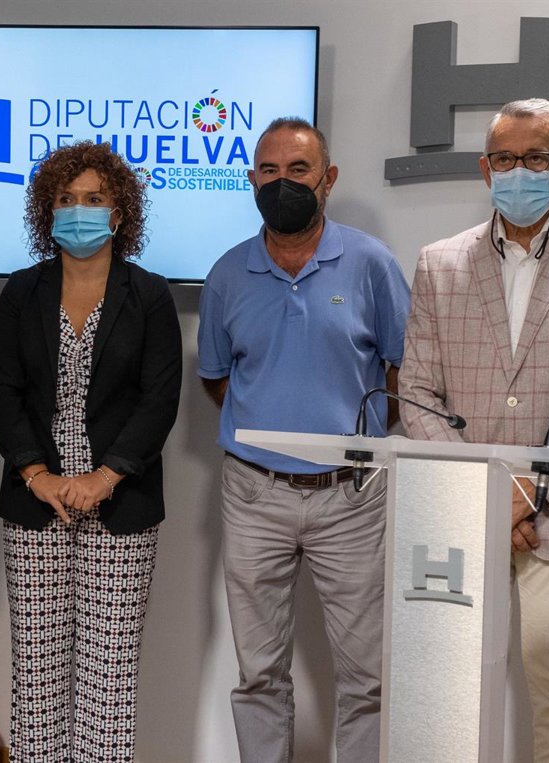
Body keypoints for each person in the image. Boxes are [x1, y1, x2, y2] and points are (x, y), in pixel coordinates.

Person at [400, 98, 549, 763]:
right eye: (505, 159)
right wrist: (485, 492)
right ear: (485, 169)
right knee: (444, 681)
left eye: (536, 158)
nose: (519, 172)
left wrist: (532, 490)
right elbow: (416, 393)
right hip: (459, 511)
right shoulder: (438, 263)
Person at [197, 117, 410, 763]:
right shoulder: (227, 273)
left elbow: (405, 369)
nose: (281, 182)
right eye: (269, 170)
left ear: (329, 178)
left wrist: (353, 434)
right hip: (253, 493)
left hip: (351, 497)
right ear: (251, 179)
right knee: (258, 671)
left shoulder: (371, 263)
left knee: (368, 676)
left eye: (298, 169)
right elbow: (217, 377)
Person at [0, 141, 182, 763]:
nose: (79, 211)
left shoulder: (149, 295)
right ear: (47, 212)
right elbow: (3, 390)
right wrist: (36, 473)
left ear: (119, 212)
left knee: (108, 676)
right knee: (37, 672)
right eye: (66, 199)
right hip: (35, 502)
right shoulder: (22, 292)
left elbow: (159, 400)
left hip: (120, 503)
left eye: (94, 199)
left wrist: (105, 476)